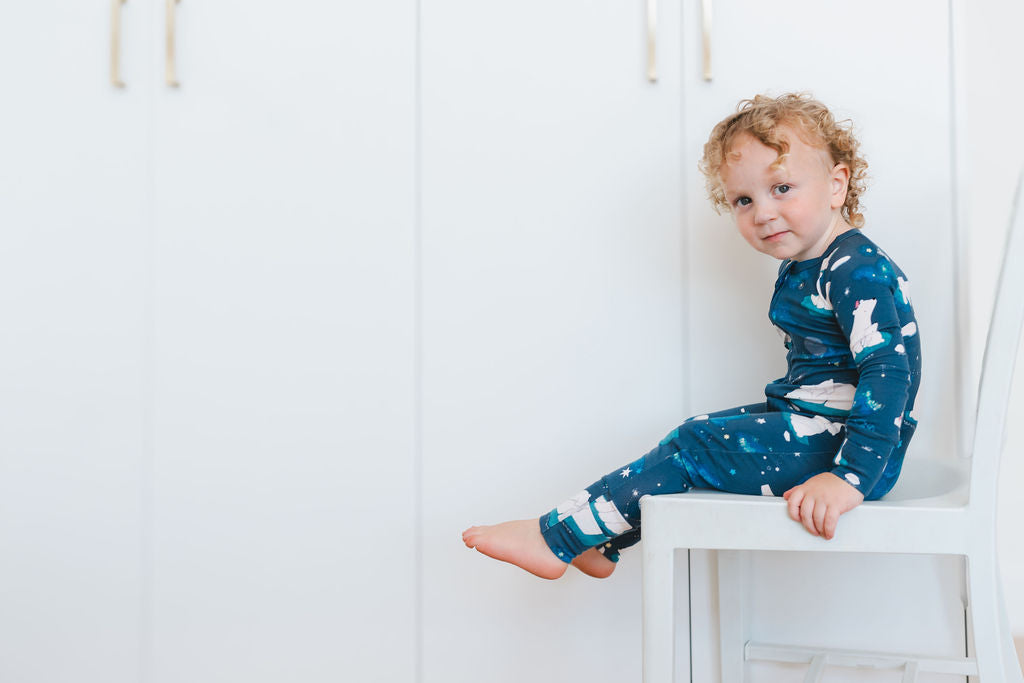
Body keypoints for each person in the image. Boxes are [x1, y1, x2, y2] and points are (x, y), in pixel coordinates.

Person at [462, 93, 922, 580]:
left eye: (782, 188)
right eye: (744, 200)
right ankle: (602, 541)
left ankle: (556, 539)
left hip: (847, 451)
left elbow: (890, 373)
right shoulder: (807, 264)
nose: (762, 212)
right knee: (690, 434)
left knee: (696, 445)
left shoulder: (853, 268)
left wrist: (849, 478)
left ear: (837, 184)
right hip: (817, 429)